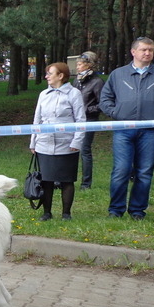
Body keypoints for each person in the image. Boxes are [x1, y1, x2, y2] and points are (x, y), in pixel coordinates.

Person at [100, 37, 154, 220]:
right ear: (133, 52)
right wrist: (116, 113)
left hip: (150, 130)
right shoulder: (118, 74)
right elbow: (105, 98)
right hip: (123, 130)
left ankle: (137, 210)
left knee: (144, 171)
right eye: (144, 50)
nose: (148, 53)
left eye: (151, 50)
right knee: (121, 170)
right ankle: (115, 210)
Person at [30, 62, 86, 221]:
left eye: (50, 73)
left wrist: (76, 142)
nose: (46, 76)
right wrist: (33, 142)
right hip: (44, 144)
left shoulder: (74, 93)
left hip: (66, 144)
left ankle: (66, 213)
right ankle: (47, 212)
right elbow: (37, 120)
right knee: (46, 180)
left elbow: (81, 120)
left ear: (60, 76)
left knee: (67, 180)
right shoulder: (43, 94)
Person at [72, 51, 104, 190]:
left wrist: (86, 110)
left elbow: (103, 104)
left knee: (84, 150)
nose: (77, 67)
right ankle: (65, 179)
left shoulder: (97, 82)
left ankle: (86, 184)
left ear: (89, 65)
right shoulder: (76, 81)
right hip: (73, 121)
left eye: (80, 64)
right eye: (77, 64)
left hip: (89, 121)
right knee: (70, 150)